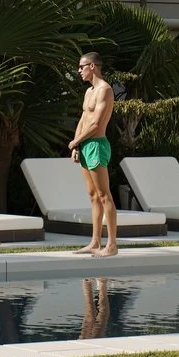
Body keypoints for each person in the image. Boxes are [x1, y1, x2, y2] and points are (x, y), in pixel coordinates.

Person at [70, 49, 118, 256]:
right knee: (92, 196)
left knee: (103, 194)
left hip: (97, 144)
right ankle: (95, 242)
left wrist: (74, 142)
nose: (79, 71)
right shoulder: (88, 92)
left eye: (81, 67)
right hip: (85, 145)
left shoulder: (105, 90)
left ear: (92, 66)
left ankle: (112, 245)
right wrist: (77, 146)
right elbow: (83, 119)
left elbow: (96, 124)